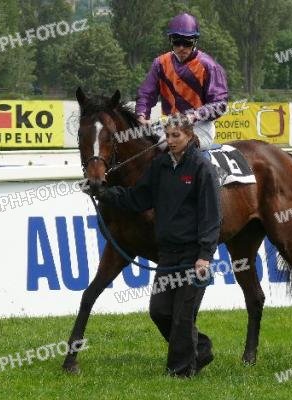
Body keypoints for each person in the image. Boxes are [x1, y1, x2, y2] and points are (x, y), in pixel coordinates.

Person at [88, 117, 221, 377]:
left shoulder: (202, 167)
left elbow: (211, 216)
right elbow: (138, 198)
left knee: (182, 316)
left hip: (193, 255)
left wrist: (205, 256)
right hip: (167, 254)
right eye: (167, 136)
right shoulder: (160, 166)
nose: (170, 141)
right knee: (159, 311)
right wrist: (103, 193)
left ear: (189, 136)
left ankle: (179, 372)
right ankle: (201, 348)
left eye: (176, 136)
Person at [135, 12, 229, 151]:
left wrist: (195, 115)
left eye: (187, 43)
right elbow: (146, 94)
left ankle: (205, 166)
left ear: (195, 41)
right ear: (170, 41)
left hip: (200, 126)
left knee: (173, 145)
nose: (181, 47)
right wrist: (142, 115)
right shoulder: (160, 63)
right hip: (170, 124)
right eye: (177, 42)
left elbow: (220, 104)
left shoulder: (209, 66)